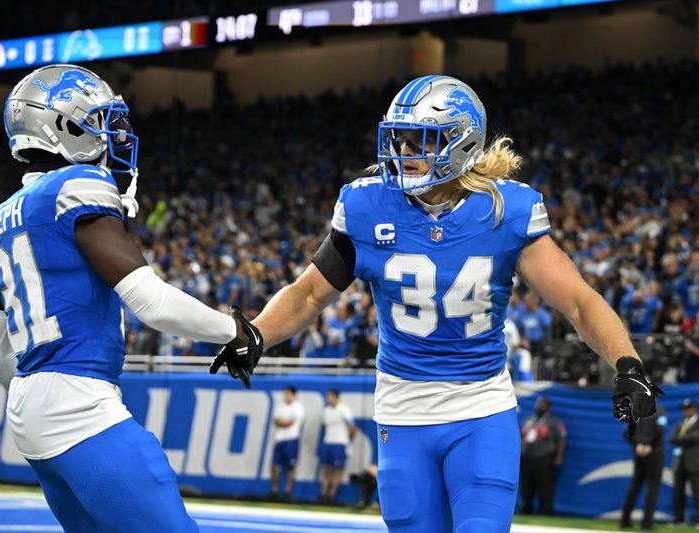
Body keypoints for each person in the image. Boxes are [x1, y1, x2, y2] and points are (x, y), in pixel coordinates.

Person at [212, 75, 660, 532]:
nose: (402, 153)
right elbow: (309, 292)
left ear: (461, 143)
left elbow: (580, 302)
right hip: (402, 411)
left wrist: (628, 364)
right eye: (399, 140)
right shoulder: (369, 206)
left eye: (418, 141)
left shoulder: (506, 210)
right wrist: (259, 332)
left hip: (481, 408)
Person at [0, 64, 262, 533]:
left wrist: (39, 397)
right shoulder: (77, 187)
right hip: (78, 403)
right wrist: (237, 331)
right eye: (100, 121)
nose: (114, 137)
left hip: (28, 414)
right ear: (64, 126)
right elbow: (151, 302)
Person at [620, 400, 667, 530]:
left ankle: (625, 520)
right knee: (653, 488)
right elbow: (660, 429)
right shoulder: (660, 411)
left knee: (635, 485)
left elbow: (626, 432)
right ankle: (647, 523)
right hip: (655, 452)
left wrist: (637, 445)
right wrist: (650, 446)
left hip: (639, 452)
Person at [519, 396, 566, 515]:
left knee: (545, 486)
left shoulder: (554, 421)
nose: (539, 406)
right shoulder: (529, 419)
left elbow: (561, 439)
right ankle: (526, 509)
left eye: (542, 404)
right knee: (527, 485)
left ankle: (546, 510)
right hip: (527, 458)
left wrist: (558, 457)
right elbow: (520, 435)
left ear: (548, 407)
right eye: (538, 404)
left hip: (544, 458)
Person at [670, 399, 699, 529]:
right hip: (679, 462)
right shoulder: (680, 424)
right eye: (685, 409)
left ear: (694, 409)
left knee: (697, 492)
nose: (686, 411)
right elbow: (671, 438)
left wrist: (681, 438)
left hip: (694, 463)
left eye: (689, 408)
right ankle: (678, 520)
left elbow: (698, 438)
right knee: (678, 492)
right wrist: (686, 438)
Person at [319, 389, 356, 503]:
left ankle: (332, 495)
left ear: (336, 397)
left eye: (330, 396)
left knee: (338, 470)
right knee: (326, 469)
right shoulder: (326, 411)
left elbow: (353, 428)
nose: (328, 398)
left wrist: (347, 441)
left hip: (340, 444)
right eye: (327, 396)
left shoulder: (344, 410)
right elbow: (325, 427)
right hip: (328, 442)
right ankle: (323, 495)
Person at [270, 386, 304, 500]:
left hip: (291, 439)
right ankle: (274, 491)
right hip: (279, 439)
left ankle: (288, 492)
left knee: (290, 467)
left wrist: (281, 421)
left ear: (293, 394)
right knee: (274, 466)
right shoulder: (280, 406)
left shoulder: (298, 407)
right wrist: (282, 421)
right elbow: (275, 420)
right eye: (285, 393)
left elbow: (289, 423)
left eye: (288, 393)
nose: (286, 396)